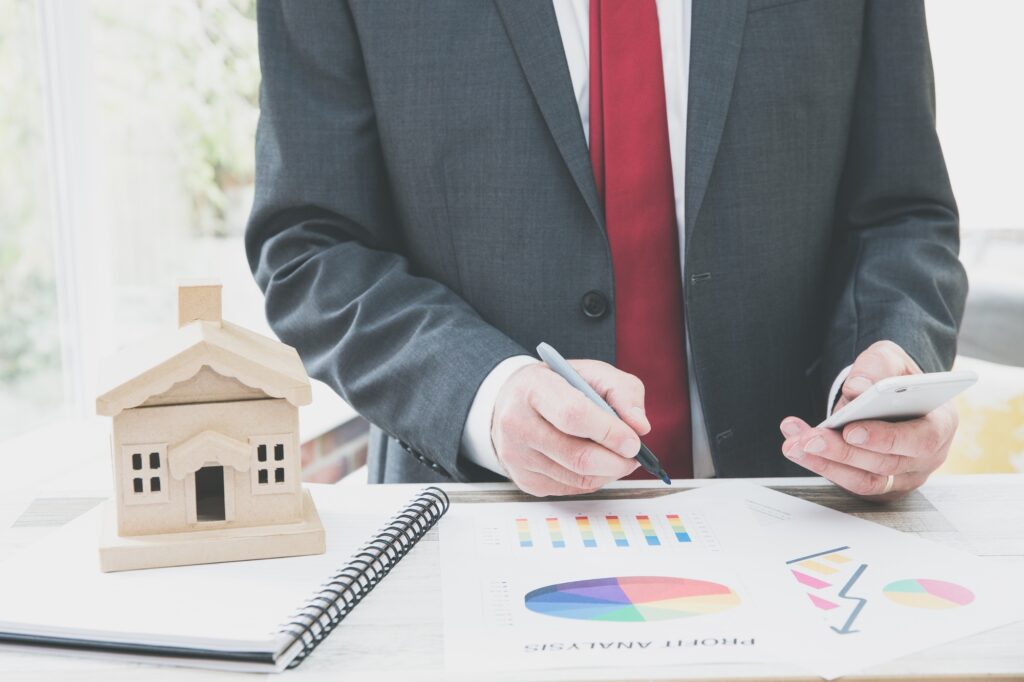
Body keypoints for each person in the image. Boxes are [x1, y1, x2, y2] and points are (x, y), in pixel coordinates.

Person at [246, 1, 966, 500]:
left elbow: (900, 210)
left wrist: (891, 367)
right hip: (476, 526)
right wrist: (487, 395)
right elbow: (311, 243)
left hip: (806, 524)